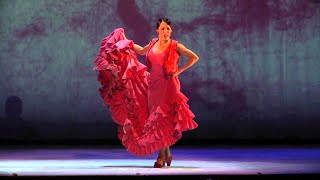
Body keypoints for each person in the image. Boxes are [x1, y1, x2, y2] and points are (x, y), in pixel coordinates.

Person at [93, 18, 199, 168]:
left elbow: (194, 57)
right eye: (163, 29)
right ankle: (167, 154)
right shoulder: (153, 43)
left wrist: (179, 71)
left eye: (168, 29)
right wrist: (126, 43)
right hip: (153, 87)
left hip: (169, 86)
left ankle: (161, 157)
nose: (166, 31)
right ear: (157, 30)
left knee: (161, 119)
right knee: (158, 121)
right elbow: (142, 51)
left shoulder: (175, 46)